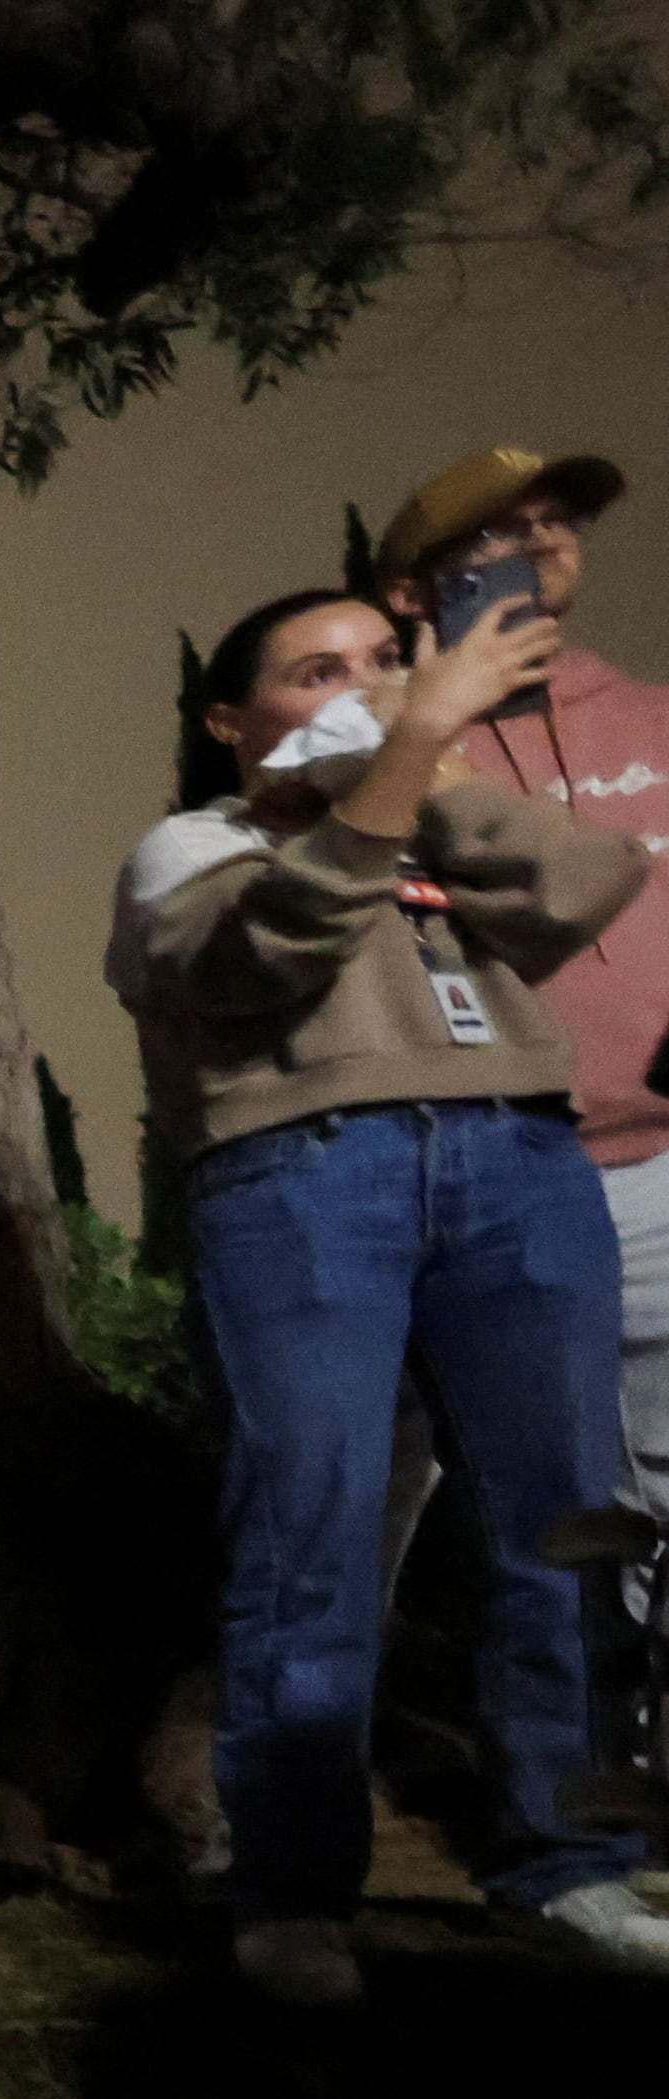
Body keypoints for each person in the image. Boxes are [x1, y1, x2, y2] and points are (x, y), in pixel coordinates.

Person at [106, 580, 662, 1997]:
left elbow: (585, 882)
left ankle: (569, 1863)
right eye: (315, 671)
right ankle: (288, 1890)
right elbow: (263, 956)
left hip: (525, 1161)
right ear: (232, 720)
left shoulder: (430, 817)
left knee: (565, 1525)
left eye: (379, 663)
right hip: (306, 1179)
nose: (358, 688)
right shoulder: (191, 845)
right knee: (313, 1524)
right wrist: (403, 753)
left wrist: (432, 766)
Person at [385, 446, 669, 1558]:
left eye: (558, 521)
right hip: (500, 1171)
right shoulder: (382, 746)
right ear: (413, 592)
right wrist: (414, 729)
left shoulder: (653, 716)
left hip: (664, 1167)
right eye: (501, 531)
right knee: (539, 1511)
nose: (545, 541)